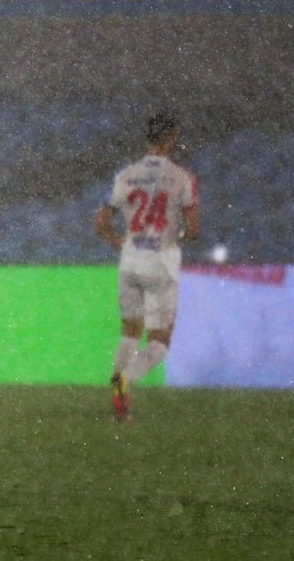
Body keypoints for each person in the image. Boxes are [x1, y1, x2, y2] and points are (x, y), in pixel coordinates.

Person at [95, 111, 199, 422]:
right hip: (160, 263)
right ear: (171, 138)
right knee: (159, 340)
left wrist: (123, 243)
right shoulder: (181, 177)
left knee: (129, 330)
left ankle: (117, 394)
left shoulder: (126, 175)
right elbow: (192, 230)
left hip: (130, 261)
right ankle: (125, 381)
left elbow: (101, 223)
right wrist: (173, 238)